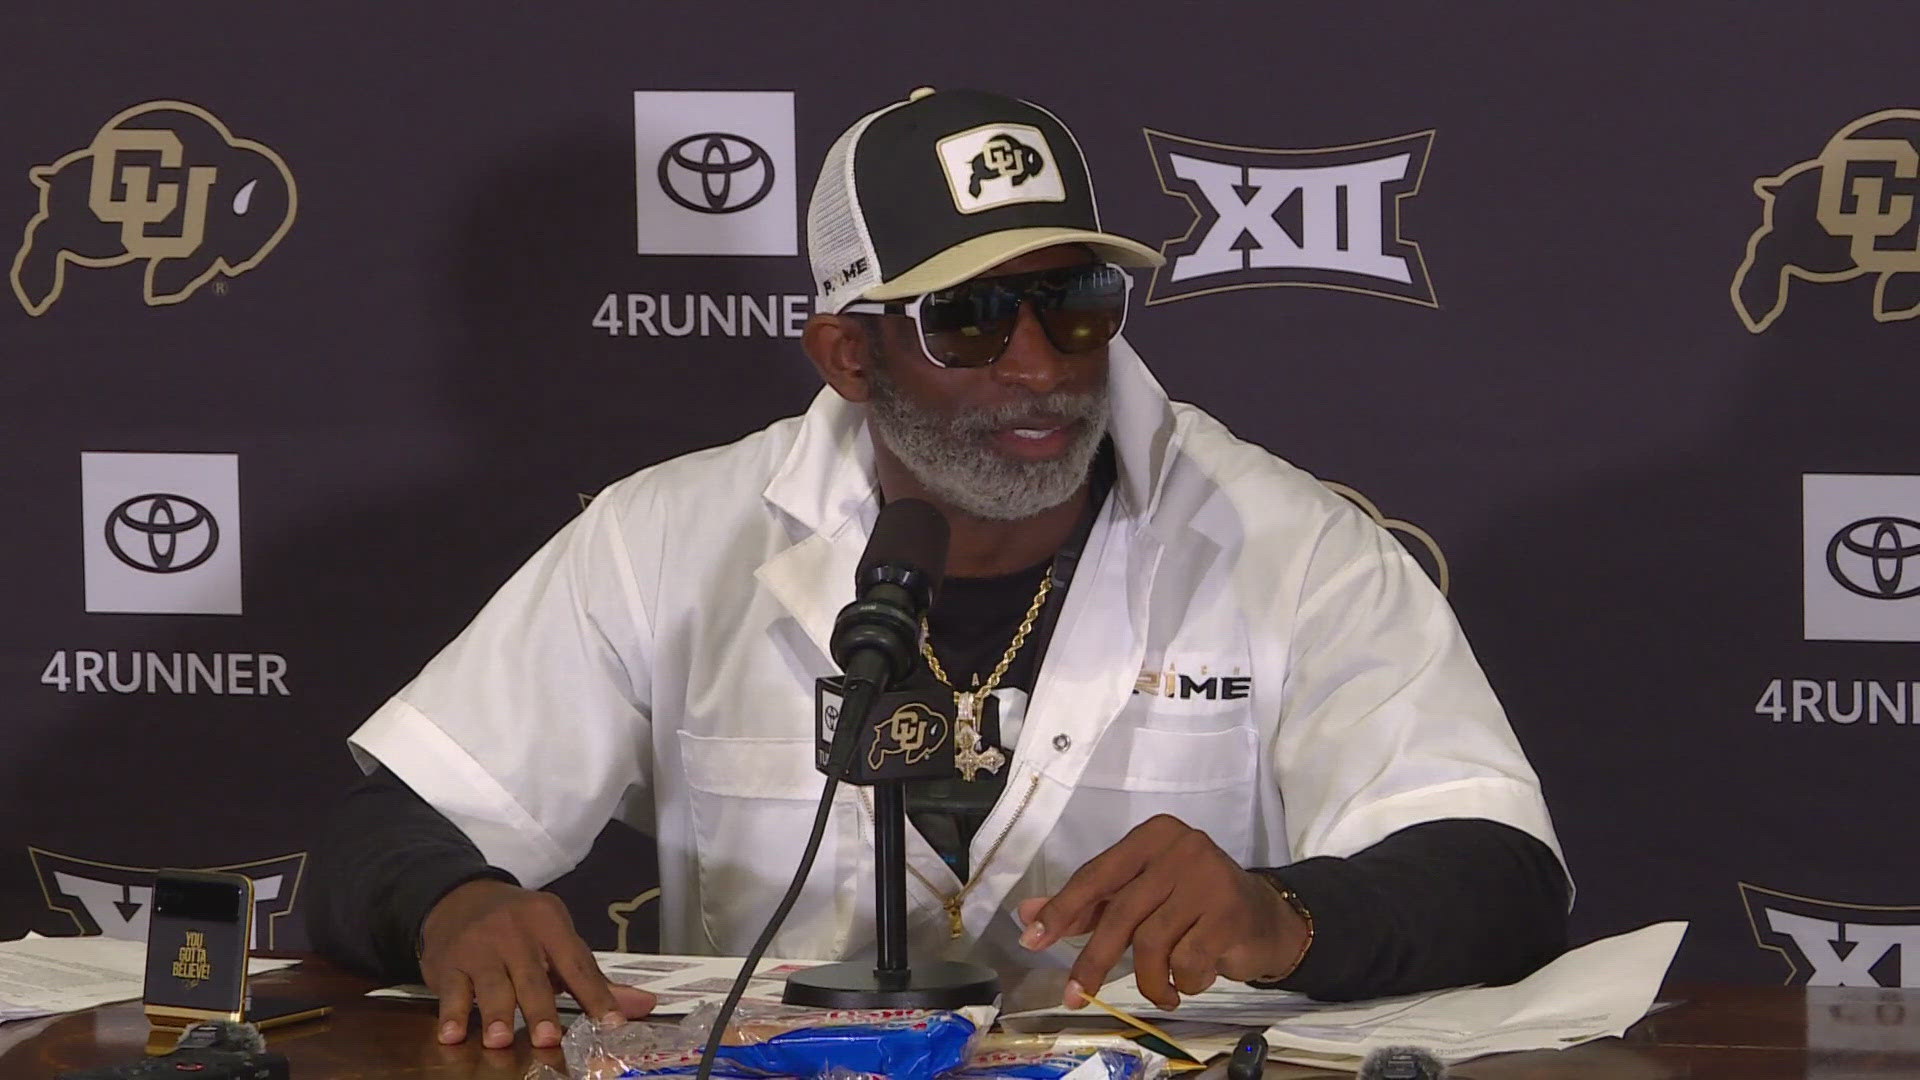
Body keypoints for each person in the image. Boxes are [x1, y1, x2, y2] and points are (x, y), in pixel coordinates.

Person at [308, 87, 1570, 1051]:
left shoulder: (1288, 542)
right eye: (966, 319)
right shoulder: (668, 538)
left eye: (1073, 302)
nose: (1039, 367)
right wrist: (453, 903)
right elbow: (391, 831)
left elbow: (1497, 869)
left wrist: (1282, 912)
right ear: (848, 356)